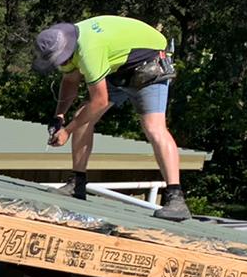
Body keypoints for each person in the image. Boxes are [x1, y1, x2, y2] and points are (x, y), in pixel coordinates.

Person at [32, 16, 190, 222]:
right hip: (119, 68)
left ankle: (175, 198)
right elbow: (70, 81)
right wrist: (59, 116)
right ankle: (77, 183)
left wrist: (67, 131)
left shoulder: (89, 51)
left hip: (149, 63)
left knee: (153, 127)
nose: (60, 63)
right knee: (83, 116)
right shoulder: (64, 44)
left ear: (68, 50)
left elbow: (99, 101)